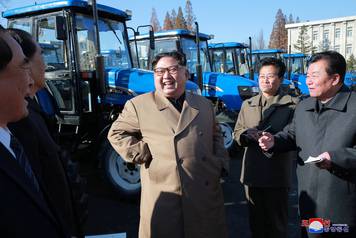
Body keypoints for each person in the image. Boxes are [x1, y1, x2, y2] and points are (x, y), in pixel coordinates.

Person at [108, 51, 229, 238]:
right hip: (164, 190)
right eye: (159, 71)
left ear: (185, 74)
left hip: (204, 190)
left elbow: (216, 134)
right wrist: (145, 154)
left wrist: (220, 163)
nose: (166, 76)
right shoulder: (139, 105)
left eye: (172, 69)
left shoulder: (204, 104)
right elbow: (116, 134)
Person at [259, 51, 356, 237]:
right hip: (309, 201)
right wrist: (274, 141)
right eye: (307, 75)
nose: (308, 81)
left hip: (342, 206)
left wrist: (336, 158)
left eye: (315, 76)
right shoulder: (304, 106)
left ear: (335, 78)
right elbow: (292, 134)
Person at [6, 28, 82, 237]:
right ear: (25, 63)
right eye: (41, 55)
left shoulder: (39, 102)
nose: (46, 63)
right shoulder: (19, 119)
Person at [233, 57, 298, 238]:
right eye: (261, 76)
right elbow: (236, 132)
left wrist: (273, 140)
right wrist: (246, 135)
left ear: (281, 78)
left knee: (277, 224)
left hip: (276, 173)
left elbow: (294, 135)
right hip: (252, 172)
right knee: (256, 223)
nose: (265, 80)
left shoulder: (293, 105)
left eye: (270, 76)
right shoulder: (248, 104)